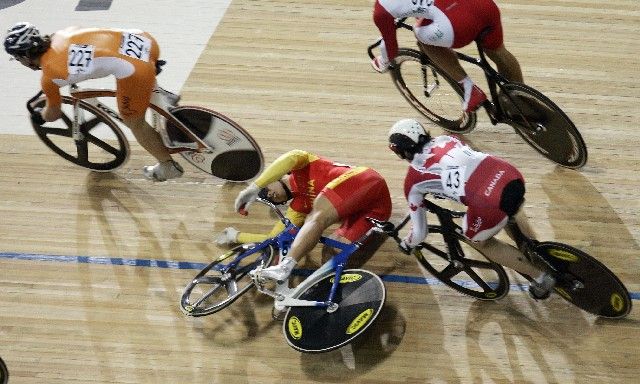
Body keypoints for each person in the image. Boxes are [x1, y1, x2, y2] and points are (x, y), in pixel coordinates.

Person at [387, 118, 555, 299]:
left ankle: (541, 277)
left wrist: (407, 244)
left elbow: (420, 233)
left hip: (489, 202)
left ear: (402, 152)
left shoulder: (413, 180)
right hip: (509, 174)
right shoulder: (449, 139)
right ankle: (534, 248)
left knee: (479, 240)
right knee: (506, 209)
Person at [4, 21, 183, 181]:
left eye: (17, 58)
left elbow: (53, 114)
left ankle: (167, 166)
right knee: (135, 73)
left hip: (135, 70)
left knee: (133, 121)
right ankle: (162, 97)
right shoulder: (61, 34)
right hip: (144, 40)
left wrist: (40, 117)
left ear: (25, 56)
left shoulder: (50, 77)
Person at [217, 149, 393, 283]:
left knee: (317, 216)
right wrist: (237, 236)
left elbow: (291, 156)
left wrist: (254, 188)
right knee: (330, 253)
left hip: (366, 181)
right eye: (269, 198)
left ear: (277, 176)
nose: (269, 195)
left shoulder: (303, 165)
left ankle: (286, 267)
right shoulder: (298, 208)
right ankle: (327, 295)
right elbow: (274, 238)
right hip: (375, 210)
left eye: (267, 190)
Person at [371, 0, 523, 113]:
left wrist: (382, 62)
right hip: (485, 7)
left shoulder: (381, 9)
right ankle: (523, 100)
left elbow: (391, 50)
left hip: (459, 26)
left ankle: (469, 88)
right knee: (498, 51)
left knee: (421, 36)